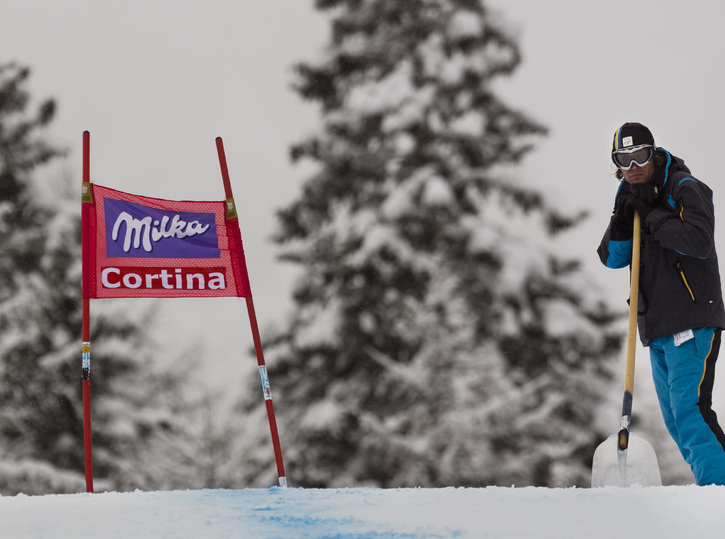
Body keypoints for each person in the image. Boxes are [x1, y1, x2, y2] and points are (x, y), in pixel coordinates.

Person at [598, 122, 725, 485]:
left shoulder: (684, 187)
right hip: (656, 327)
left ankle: (719, 492)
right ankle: (714, 486)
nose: (633, 166)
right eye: (624, 159)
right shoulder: (629, 194)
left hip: (692, 319)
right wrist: (622, 221)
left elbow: (699, 241)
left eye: (640, 155)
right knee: (675, 420)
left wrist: (653, 215)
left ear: (653, 154)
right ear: (616, 163)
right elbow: (611, 258)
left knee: (690, 412)